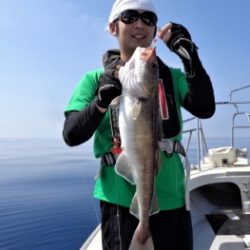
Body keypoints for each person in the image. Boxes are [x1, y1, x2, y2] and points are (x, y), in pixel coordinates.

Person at [63, 0, 215, 249]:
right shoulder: (93, 81)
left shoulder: (173, 77)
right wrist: (100, 102)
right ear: (113, 28)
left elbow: (205, 108)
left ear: (155, 31)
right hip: (119, 201)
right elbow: (71, 134)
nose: (140, 24)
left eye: (149, 19)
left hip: (173, 200)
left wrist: (190, 56)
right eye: (130, 17)